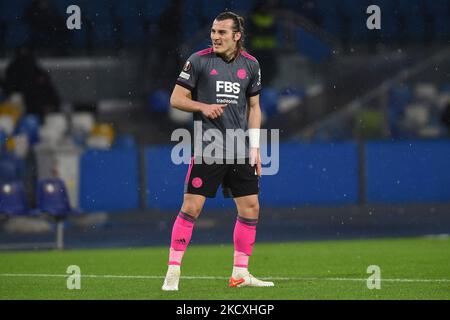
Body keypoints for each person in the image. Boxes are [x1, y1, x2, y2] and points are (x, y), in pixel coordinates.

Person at [162, 12, 274, 290]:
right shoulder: (198, 60)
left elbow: (255, 107)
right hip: (208, 148)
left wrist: (256, 148)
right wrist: (202, 107)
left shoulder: (251, 65)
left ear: (237, 36)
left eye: (222, 32)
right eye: (213, 31)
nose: (215, 37)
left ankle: (240, 273)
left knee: (251, 208)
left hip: (240, 150)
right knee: (192, 207)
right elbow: (176, 98)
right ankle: (173, 271)